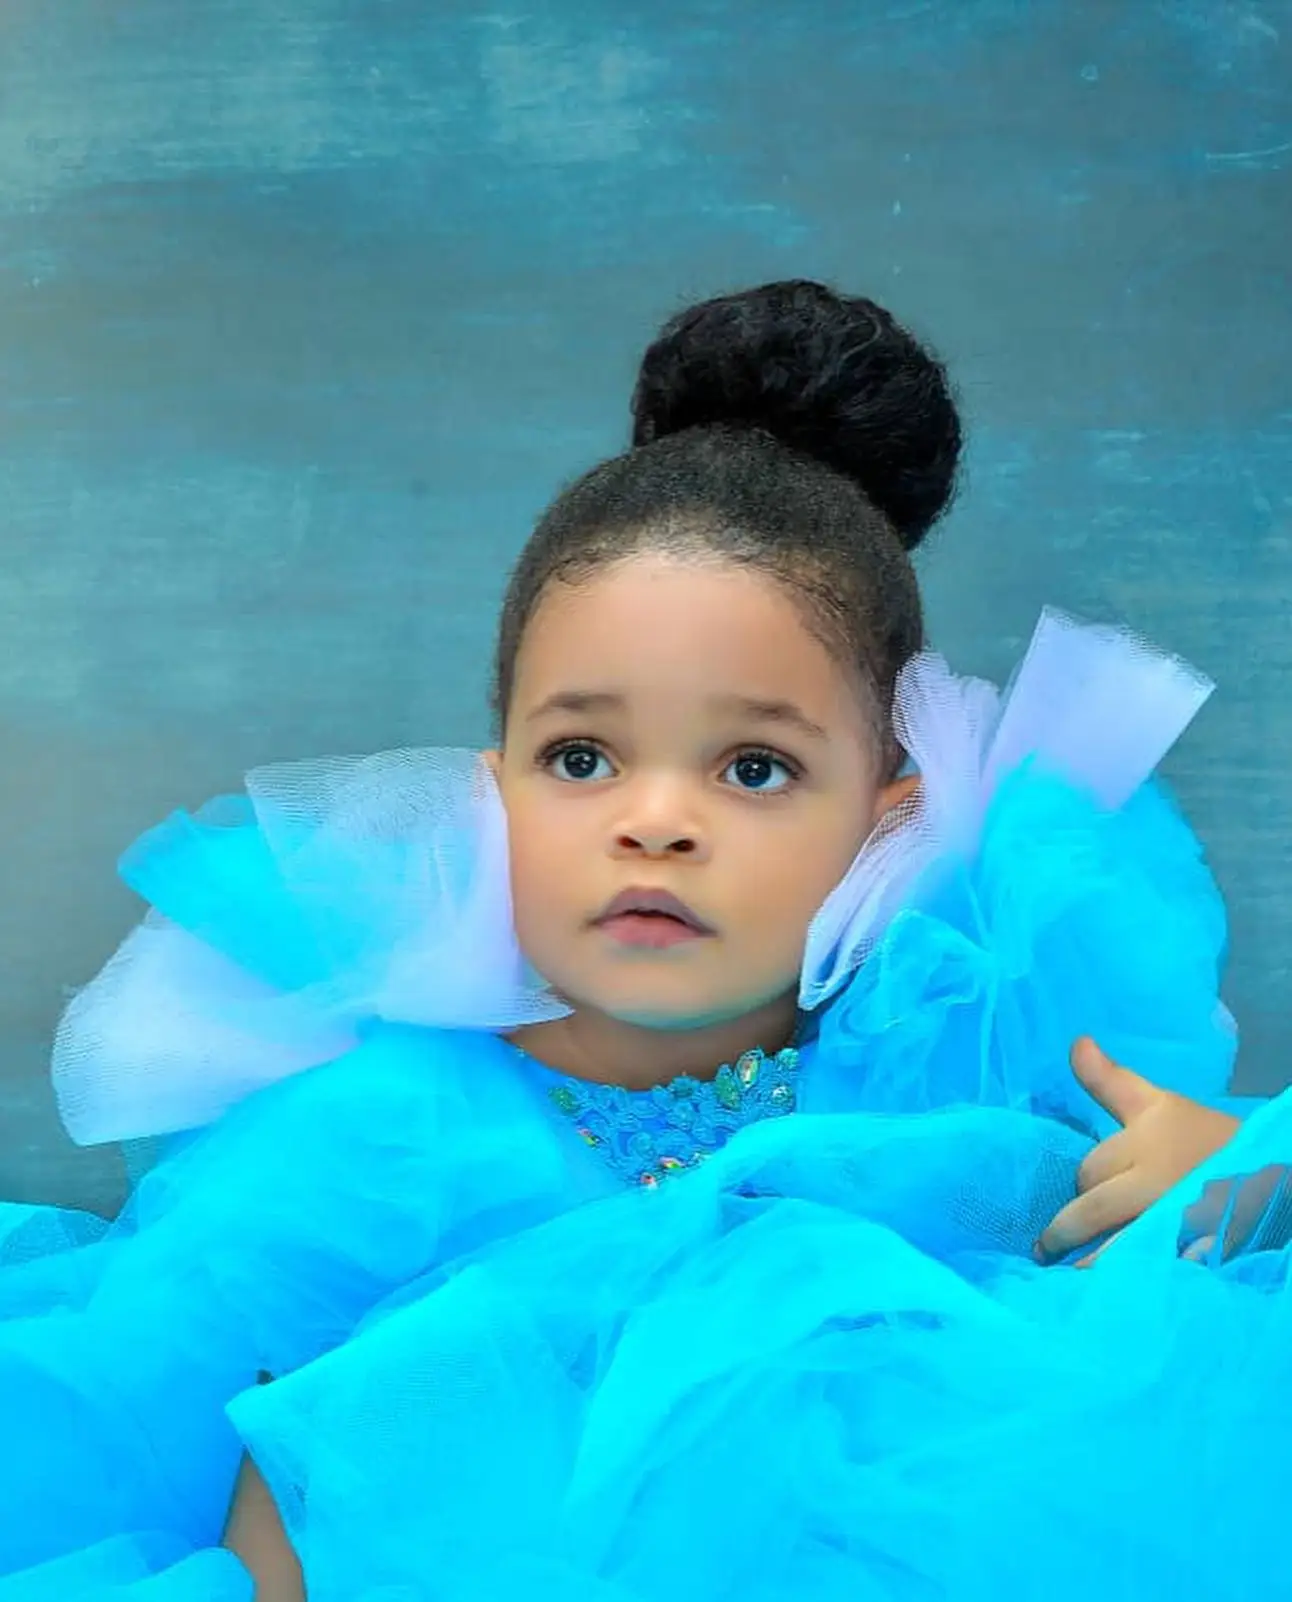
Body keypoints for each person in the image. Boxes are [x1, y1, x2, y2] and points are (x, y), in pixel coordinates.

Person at [0, 280, 1274, 1601]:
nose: (655, 821)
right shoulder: (380, 1140)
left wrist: (1233, 1175)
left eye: (758, 768)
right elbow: (260, 1459)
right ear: (494, 784)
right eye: (584, 755)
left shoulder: (948, 1057)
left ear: (889, 812)